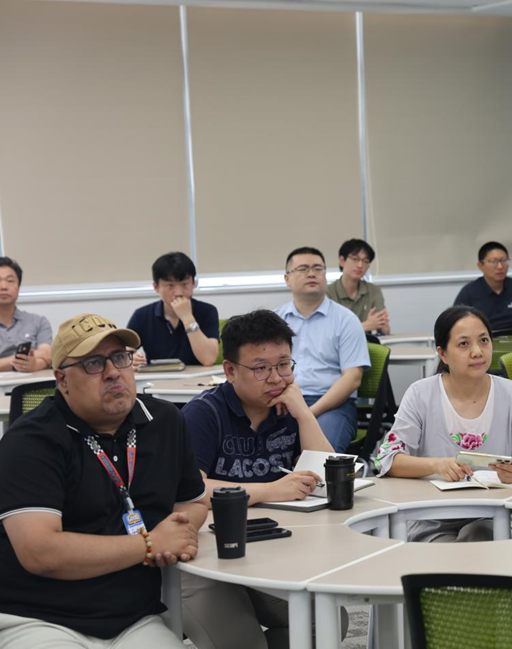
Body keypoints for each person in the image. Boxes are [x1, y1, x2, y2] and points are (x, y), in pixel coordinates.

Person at [0, 313, 207, 648]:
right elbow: (40, 552)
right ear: (62, 379)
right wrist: (150, 544)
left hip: (134, 617)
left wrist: (178, 532)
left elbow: (193, 502)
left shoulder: (165, 421)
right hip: (36, 617)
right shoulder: (31, 440)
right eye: (93, 363)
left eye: (120, 357)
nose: (113, 372)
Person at [180, 309, 345, 649]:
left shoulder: (288, 408)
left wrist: (304, 414)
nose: (276, 378)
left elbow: (329, 477)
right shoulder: (203, 414)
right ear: (230, 370)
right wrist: (269, 490)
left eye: (284, 365)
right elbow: (191, 491)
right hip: (206, 560)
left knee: (328, 620)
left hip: (268, 552)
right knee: (245, 643)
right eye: (261, 368)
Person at [373, 306, 512, 542]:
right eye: (464, 344)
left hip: (494, 515)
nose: (477, 352)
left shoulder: (510, 392)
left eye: (484, 340)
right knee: (446, 551)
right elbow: (386, 458)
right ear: (443, 354)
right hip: (433, 516)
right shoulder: (421, 394)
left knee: (478, 535)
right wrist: (437, 465)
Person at [276, 246, 371, 453]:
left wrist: (308, 413)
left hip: (331, 405)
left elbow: (352, 378)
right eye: (303, 269)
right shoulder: (275, 321)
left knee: (318, 459)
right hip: (281, 400)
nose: (311, 274)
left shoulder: (346, 320)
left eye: (318, 268)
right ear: (287, 279)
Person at [128, 252, 220, 367]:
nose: (178, 293)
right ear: (156, 287)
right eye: (170, 286)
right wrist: (130, 359)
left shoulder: (207, 311)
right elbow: (124, 352)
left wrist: (187, 318)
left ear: (193, 284)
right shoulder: (142, 315)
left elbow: (209, 359)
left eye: (185, 284)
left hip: (198, 377)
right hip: (158, 377)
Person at [454, 242, 512, 331]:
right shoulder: (468, 292)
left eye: (504, 260)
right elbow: (456, 324)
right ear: (480, 266)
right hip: (483, 338)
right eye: (493, 261)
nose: (500, 266)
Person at [326, 238, 390, 335]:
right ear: (342, 261)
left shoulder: (374, 290)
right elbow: (329, 332)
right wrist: (366, 325)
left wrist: (383, 325)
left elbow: (385, 330)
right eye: (355, 259)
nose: (360, 265)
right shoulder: (327, 293)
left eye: (365, 261)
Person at [0, 256, 52, 372]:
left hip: (31, 382)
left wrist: (37, 364)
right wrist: (17, 361)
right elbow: (42, 354)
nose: (3, 287)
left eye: (10, 281)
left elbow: (47, 353)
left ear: (18, 287)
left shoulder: (38, 322)